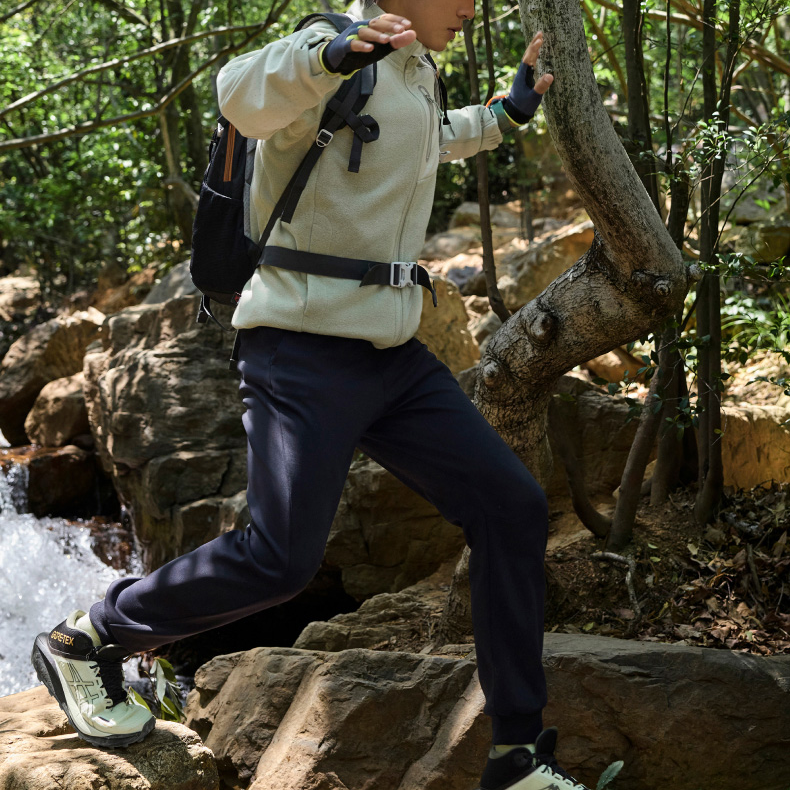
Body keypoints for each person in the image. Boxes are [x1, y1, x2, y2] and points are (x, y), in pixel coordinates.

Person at [32, 1, 591, 788]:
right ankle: (87, 639)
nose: (472, 6)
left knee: (512, 507)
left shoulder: (415, 72)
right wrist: (330, 56)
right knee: (281, 559)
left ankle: (517, 757)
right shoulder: (327, 47)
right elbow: (239, 94)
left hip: (392, 357)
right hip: (299, 349)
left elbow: (430, 137)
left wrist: (506, 113)